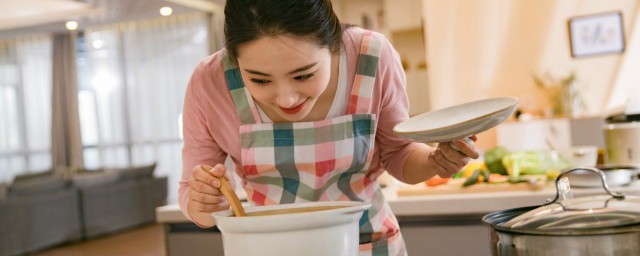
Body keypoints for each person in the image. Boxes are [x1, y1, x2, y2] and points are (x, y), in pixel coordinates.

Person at [179, 0, 479, 255]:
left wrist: (434, 162)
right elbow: (192, 194)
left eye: (303, 75)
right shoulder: (210, 82)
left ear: (335, 45)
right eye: (259, 80)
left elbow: (399, 155)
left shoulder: (371, 57)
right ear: (233, 57)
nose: (286, 98)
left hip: (364, 244)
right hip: (270, 248)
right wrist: (204, 201)